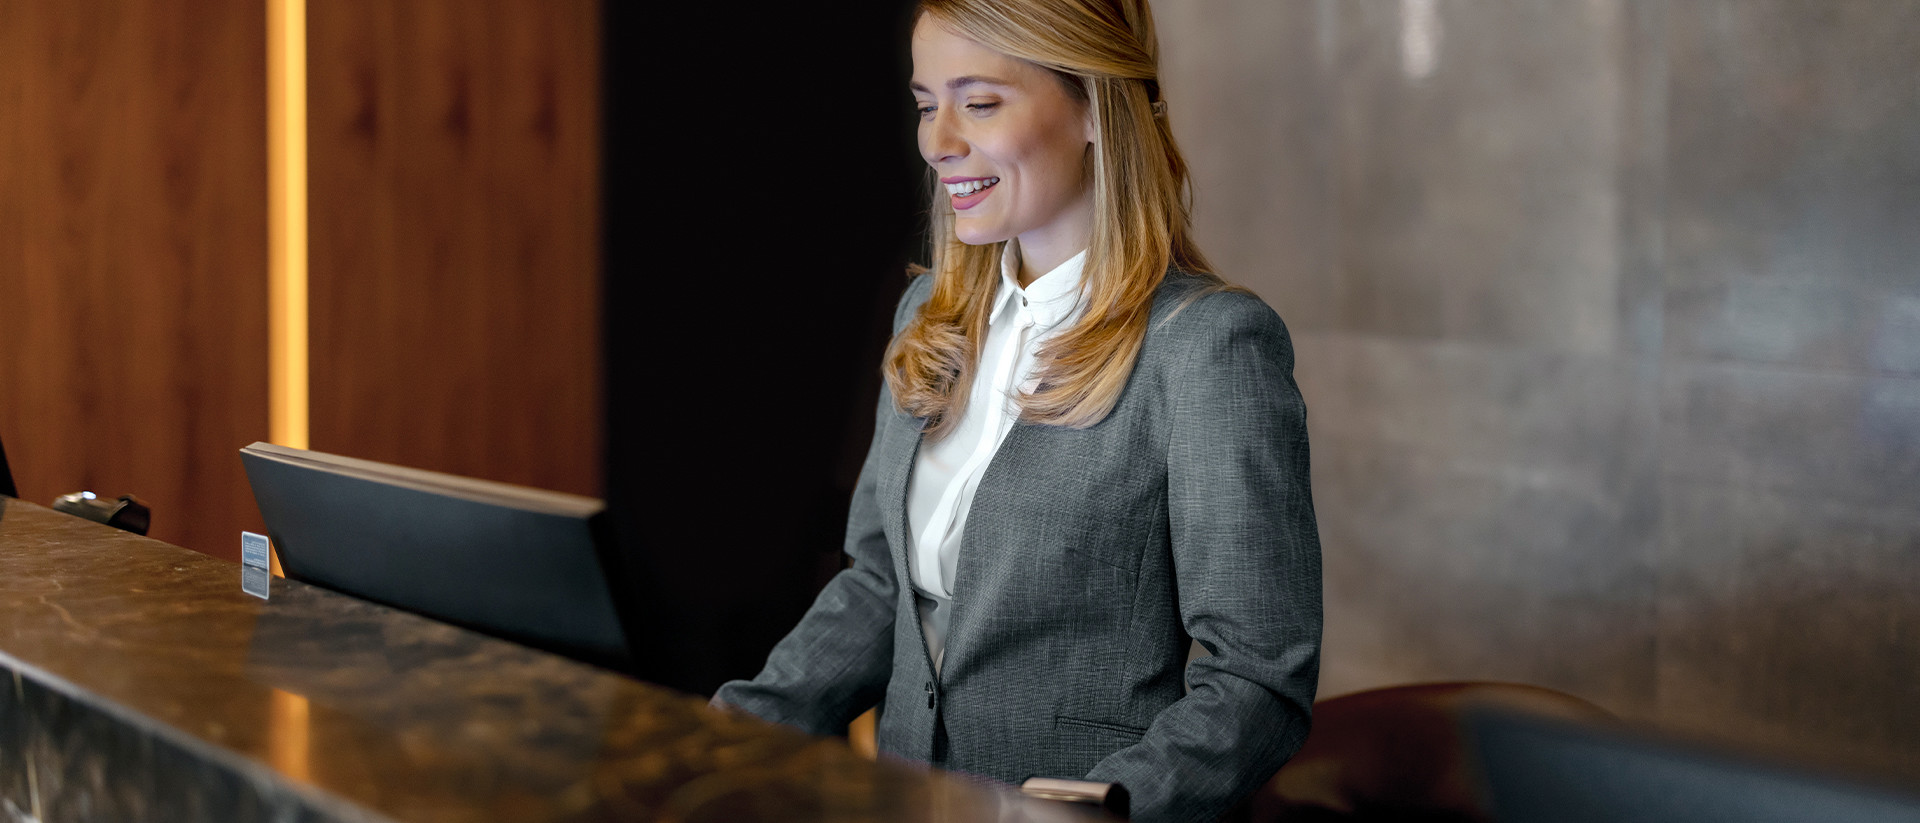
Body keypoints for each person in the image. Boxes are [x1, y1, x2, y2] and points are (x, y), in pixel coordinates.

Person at [712, 0, 1322, 819]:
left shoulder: (1209, 345)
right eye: (926, 104)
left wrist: (1092, 806)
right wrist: (728, 730)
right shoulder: (928, 313)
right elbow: (882, 585)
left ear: (1094, 109)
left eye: (980, 102)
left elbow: (1258, 675)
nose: (937, 141)